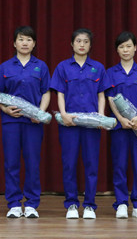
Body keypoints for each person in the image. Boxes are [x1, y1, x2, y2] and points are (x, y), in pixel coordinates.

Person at [50, 28, 111, 220]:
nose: (82, 45)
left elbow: (101, 95)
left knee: (91, 164)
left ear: (90, 45)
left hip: (91, 125)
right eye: (78, 41)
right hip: (69, 123)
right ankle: (71, 204)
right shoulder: (62, 67)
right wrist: (63, 114)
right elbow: (60, 93)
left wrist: (101, 117)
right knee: (69, 164)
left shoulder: (98, 68)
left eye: (85, 41)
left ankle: (90, 205)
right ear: (72, 44)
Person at [0, 26, 51, 219]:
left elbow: (46, 92)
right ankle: (14, 204)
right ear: (14, 43)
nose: (24, 43)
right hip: (11, 121)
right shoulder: (5, 67)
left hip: (33, 123)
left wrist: (40, 113)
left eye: (28, 40)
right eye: (21, 39)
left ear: (34, 44)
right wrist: (5, 109)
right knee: (11, 163)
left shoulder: (41, 66)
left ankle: (32, 203)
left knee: (33, 163)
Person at [106, 31, 137, 219]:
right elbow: (110, 97)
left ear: (135, 48)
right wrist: (120, 118)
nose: (125, 50)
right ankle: (120, 203)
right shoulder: (111, 72)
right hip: (119, 126)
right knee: (119, 164)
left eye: (129, 46)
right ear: (117, 50)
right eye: (121, 47)